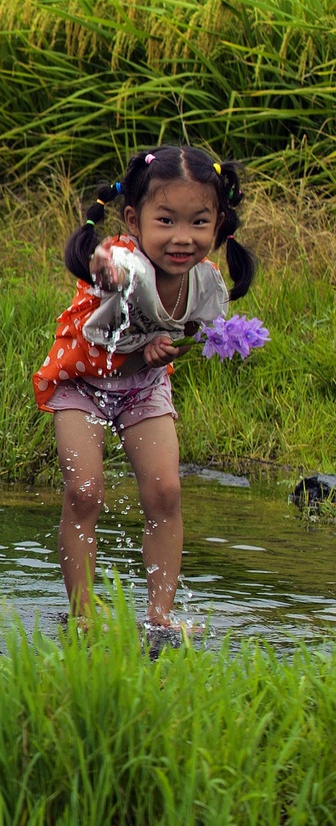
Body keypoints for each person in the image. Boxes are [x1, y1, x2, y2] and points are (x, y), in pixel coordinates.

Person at [34, 146, 254, 627]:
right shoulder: (124, 265)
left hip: (143, 385)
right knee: (85, 493)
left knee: (165, 493)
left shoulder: (206, 282)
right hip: (83, 383)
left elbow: (190, 330)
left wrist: (166, 349)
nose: (182, 238)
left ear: (219, 224)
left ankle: (160, 618)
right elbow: (104, 269)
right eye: (166, 221)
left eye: (199, 223)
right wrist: (104, 269)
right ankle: (83, 615)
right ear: (134, 220)